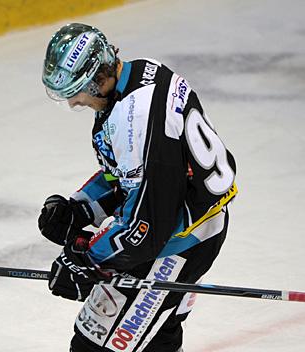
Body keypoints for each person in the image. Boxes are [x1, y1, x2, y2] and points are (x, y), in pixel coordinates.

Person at [38, 23, 237, 352]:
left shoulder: (135, 117)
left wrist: (87, 259)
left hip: (178, 243)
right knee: (157, 337)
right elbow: (134, 176)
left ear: (97, 79)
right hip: (192, 222)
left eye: (77, 91)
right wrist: (80, 208)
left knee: (95, 344)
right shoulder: (141, 73)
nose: (74, 103)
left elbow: (142, 231)